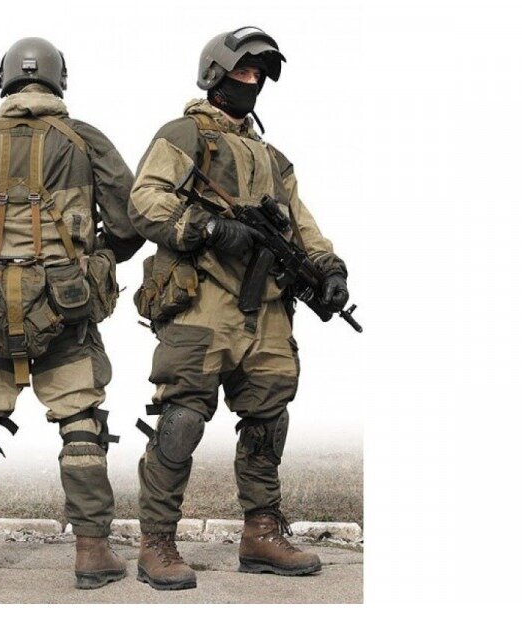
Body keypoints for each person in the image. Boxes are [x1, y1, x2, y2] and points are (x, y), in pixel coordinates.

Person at [128, 26, 351, 590]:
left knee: (268, 420)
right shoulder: (184, 135)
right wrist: (208, 228)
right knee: (181, 419)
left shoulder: (273, 158)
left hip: (268, 310)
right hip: (202, 305)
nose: (251, 82)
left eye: (258, 75)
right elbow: (145, 200)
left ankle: (261, 533)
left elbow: (301, 224)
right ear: (215, 75)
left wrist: (329, 268)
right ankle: (157, 543)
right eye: (242, 71)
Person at [0, 37, 143, 589]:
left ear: (4, 80)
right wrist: (94, 260)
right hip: (66, 310)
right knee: (81, 422)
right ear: (58, 80)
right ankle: (92, 553)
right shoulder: (85, 139)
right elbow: (130, 222)